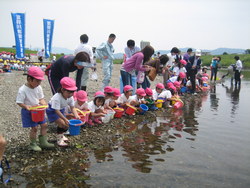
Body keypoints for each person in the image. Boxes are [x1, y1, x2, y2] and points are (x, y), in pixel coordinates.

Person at [16, 66, 54, 151]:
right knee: (35, 127)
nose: (39, 83)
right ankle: (32, 143)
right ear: (29, 79)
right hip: (29, 111)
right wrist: (26, 106)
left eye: (40, 80)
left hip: (38, 110)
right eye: (37, 81)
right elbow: (19, 102)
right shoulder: (22, 90)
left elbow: (40, 99)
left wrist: (44, 103)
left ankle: (43, 142)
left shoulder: (38, 87)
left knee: (44, 125)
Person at [46, 77, 80, 147]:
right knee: (62, 123)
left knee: (67, 125)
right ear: (62, 90)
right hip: (52, 111)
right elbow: (56, 111)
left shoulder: (70, 97)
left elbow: (72, 107)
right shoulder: (57, 98)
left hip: (60, 110)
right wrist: (64, 119)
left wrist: (76, 115)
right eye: (69, 92)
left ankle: (61, 135)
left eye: (72, 92)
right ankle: (59, 140)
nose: (71, 94)